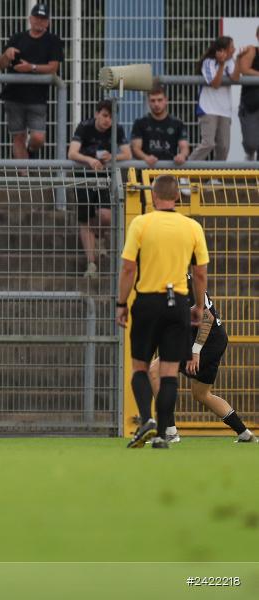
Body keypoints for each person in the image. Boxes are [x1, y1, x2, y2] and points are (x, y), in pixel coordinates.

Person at [117, 175, 209, 450]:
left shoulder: (141, 223)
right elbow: (200, 272)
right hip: (178, 304)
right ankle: (162, 435)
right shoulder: (192, 227)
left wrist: (121, 303)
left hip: (147, 302)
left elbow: (129, 268)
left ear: (154, 196)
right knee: (169, 373)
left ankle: (147, 419)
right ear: (178, 197)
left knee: (140, 367)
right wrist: (199, 306)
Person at [148, 273, 256, 444]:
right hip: (210, 340)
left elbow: (207, 318)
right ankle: (244, 434)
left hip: (206, 342)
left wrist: (195, 351)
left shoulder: (182, 281)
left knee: (155, 371)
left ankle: (169, 432)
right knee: (201, 394)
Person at [67, 99, 131, 278]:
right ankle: (91, 263)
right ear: (97, 114)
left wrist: (112, 157)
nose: (107, 120)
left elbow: (127, 154)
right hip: (83, 177)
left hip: (104, 177)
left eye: (111, 117)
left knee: (106, 215)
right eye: (104, 115)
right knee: (85, 218)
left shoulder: (117, 129)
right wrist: (89, 160)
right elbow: (72, 153)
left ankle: (97, 237)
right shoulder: (84, 126)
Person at [0, 4, 63, 160]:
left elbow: (53, 68)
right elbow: (0, 65)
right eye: (37, 18)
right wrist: (6, 54)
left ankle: (31, 152)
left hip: (37, 98)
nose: (39, 21)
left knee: (38, 139)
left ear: (48, 22)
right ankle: (24, 173)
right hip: (13, 96)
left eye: (43, 19)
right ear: (30, 19)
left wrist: (31, 67)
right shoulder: (17, 38)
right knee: (18, 137)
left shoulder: (53, 41)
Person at [190, 36, 241, 162]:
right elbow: (215, 84)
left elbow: (235, 78)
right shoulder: (208, 62)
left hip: (225, 110)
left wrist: (239, 60)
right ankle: (186, 169)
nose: (234, 50)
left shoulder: (231, 61)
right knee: (208, 143)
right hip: (208, 109)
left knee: (224, 147)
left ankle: (217, 174)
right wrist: (222, 65)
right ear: (222, 50)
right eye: (231, 47)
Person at [237, 26, 259, 160]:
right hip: (251, 103)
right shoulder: (252, 50)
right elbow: (244, 69)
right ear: (257, 36)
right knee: (251, 143)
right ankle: (249, 158)